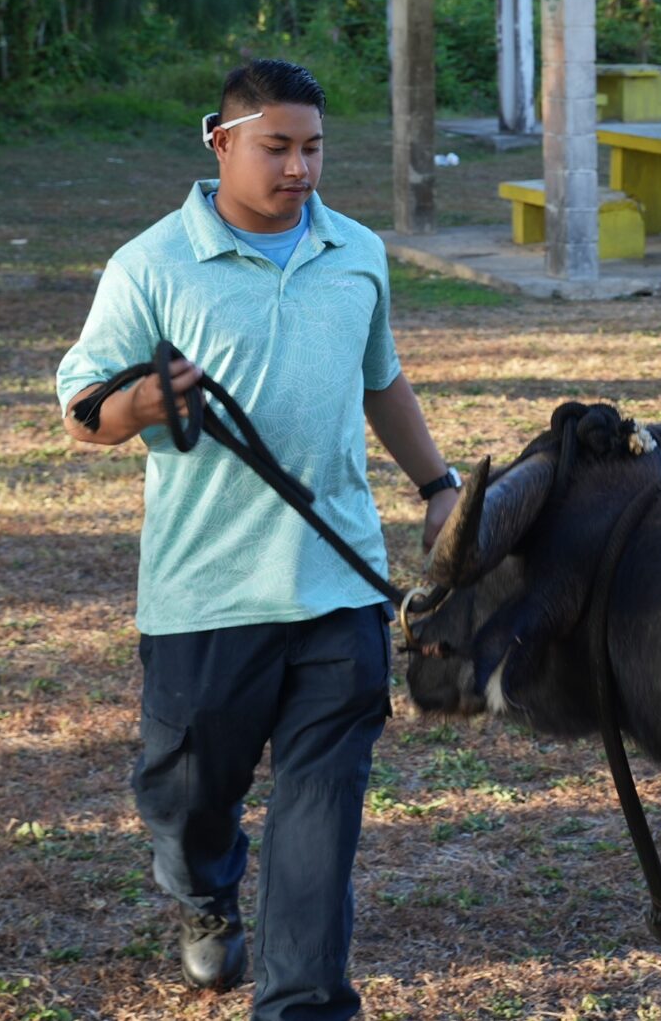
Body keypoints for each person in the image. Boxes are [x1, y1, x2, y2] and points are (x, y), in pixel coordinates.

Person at [58, 58, 460, 1017]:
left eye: (313, 147)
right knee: (187, 798)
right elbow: (80, 408)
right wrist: (137, 403)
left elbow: (381, 379)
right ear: (222, 141)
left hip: (339, 586)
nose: (299, 169)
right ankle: (203, 896)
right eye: (276, 147)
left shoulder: (354, 251)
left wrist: (438, 485)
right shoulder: (150, 264)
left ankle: (304, 1003)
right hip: (207, 593)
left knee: (320, 813)